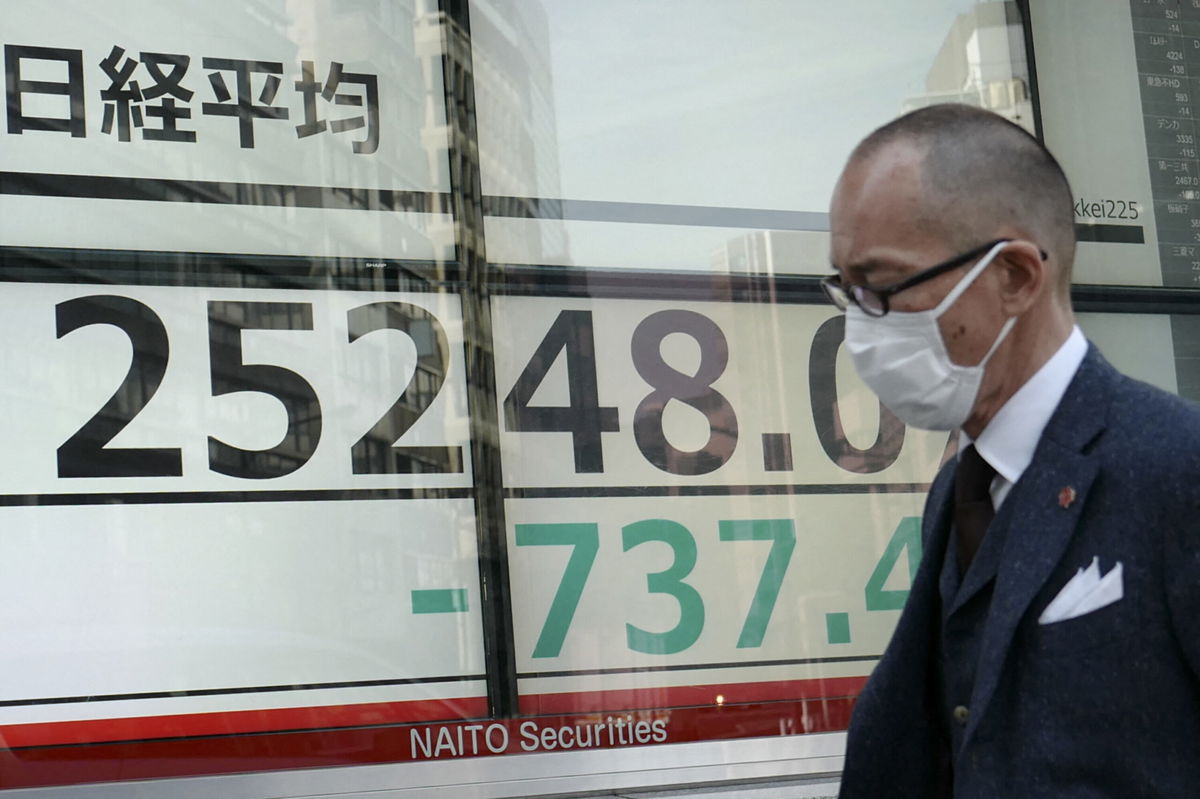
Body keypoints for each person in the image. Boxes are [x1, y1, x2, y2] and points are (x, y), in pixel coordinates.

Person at [823, 103, 1200, 798]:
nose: (859, 326)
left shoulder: (1178, 467)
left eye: (881, 287)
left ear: (1017, 276)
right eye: (846, 290)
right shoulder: (959, 488)